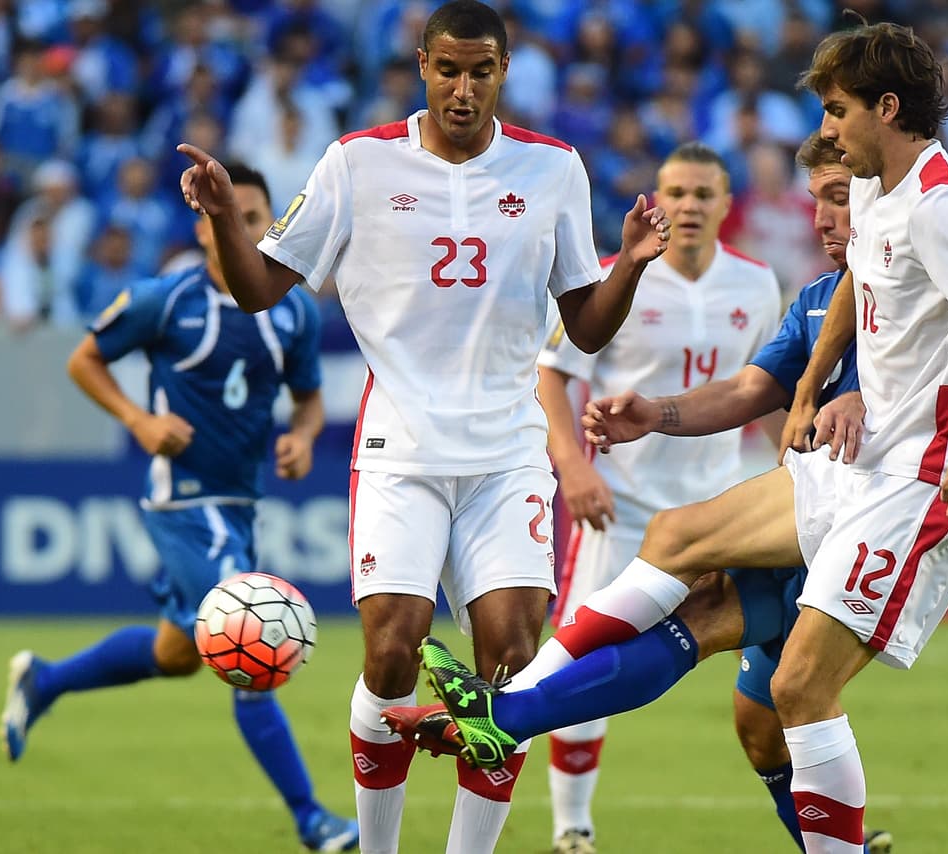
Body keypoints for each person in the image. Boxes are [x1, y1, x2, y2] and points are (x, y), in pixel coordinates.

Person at [406, 22, 948, 854]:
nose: (826, 132)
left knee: (796, 690)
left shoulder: (945, 209)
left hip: (923, 478)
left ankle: (508, 716)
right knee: (680, 539)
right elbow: (854, 283)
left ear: (888, 107)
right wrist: (810, 382)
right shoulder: (876, 193)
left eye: (837, 112)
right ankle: (505, 714)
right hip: (855, 467)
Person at [174, 3, 671, 852]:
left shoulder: (552, 170)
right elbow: (258, 291)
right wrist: (225, 213)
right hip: (400, 450)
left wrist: (627, 263)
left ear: (503, 73)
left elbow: (585, 328)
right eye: (448, 69)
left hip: (508, 451)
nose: (463, 88)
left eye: (481, 71)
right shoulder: (356, 165)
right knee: (393, 655)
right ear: (421, 66)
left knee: (509, 661)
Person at [385, 132, 890, 854]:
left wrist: (862, 398)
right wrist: (631, 430)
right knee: (758, 714)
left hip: (836, 513)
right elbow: (755, 386)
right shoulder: (801, 294)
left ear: (725, 206)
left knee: (793, 685)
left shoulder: (831, 280)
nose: (821, 219)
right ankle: (563, 808)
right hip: (707, 507)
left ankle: (508, 713)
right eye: (675, 192)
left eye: (838, 199)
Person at [0, 164, 361, 852]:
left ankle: (46, 680)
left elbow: (309, 399)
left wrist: (304, 438)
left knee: (177, 652)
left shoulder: (291, 310)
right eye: (235, 218)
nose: (247, 231)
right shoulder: (166, 299)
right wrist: (138, 422)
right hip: (182, 500)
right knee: (255, 641)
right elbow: (84, 360)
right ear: (204, 226)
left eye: (258, 220)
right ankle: (313, 819)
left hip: (241, 503)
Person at [534, 141, 782, 853]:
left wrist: (794, 456)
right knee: (581, 659)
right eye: (675, 193)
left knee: (786, 660)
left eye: (704, 194)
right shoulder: (616, 280)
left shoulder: (757, 285)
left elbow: (763, 390)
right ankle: (571, 828)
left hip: (721, 508)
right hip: (623, 504)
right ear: (656, 202)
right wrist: (572, 468)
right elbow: (552, 377)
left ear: (727, 204)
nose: (688, 206)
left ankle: (818, 819)